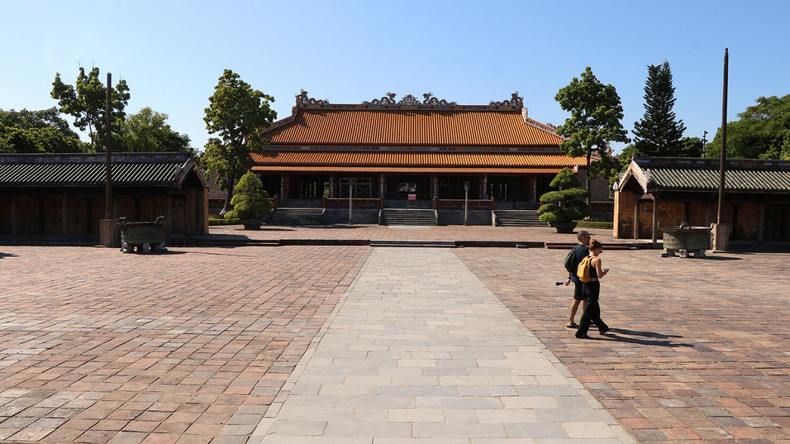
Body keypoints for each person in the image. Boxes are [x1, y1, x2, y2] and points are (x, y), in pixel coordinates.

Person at [576, 238, 610, 338]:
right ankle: (581, 332)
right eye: (600, 250)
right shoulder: (597, 260)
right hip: (593, 285)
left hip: (584, 284)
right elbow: (599, 275)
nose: (600, 252)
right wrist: (604, 272)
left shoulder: (585, 258)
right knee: (588, 310)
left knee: (594, 307)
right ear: (596, 249)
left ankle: (602, 327)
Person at [565, 230, 591, 328]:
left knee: (584, 299)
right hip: (581, 278)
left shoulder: (576, 247)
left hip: (575, 277)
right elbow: (585, 265)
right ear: (583, 237)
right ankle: (571, 321)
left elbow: (571, 265)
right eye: (588, 237)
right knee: (577, 299)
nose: (590, 239)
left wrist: (569, 277)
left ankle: (585, 318)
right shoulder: (584, 250)